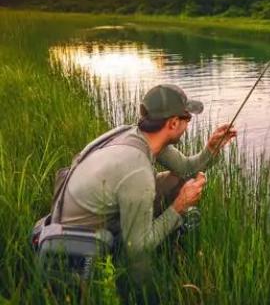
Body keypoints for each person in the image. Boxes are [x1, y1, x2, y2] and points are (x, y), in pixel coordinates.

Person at [55, 83, 236, 297]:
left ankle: (166, 242)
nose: (189, 122)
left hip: (93, 210)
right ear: (173, 123)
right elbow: (136, 247)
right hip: (81, 241)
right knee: (141, 255)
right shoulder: (137, 170)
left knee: (177, 180)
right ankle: (143, 294)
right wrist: (179, 207)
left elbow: (187, 169)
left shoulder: (137, 135)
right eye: (187, 117)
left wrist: (211, 149)